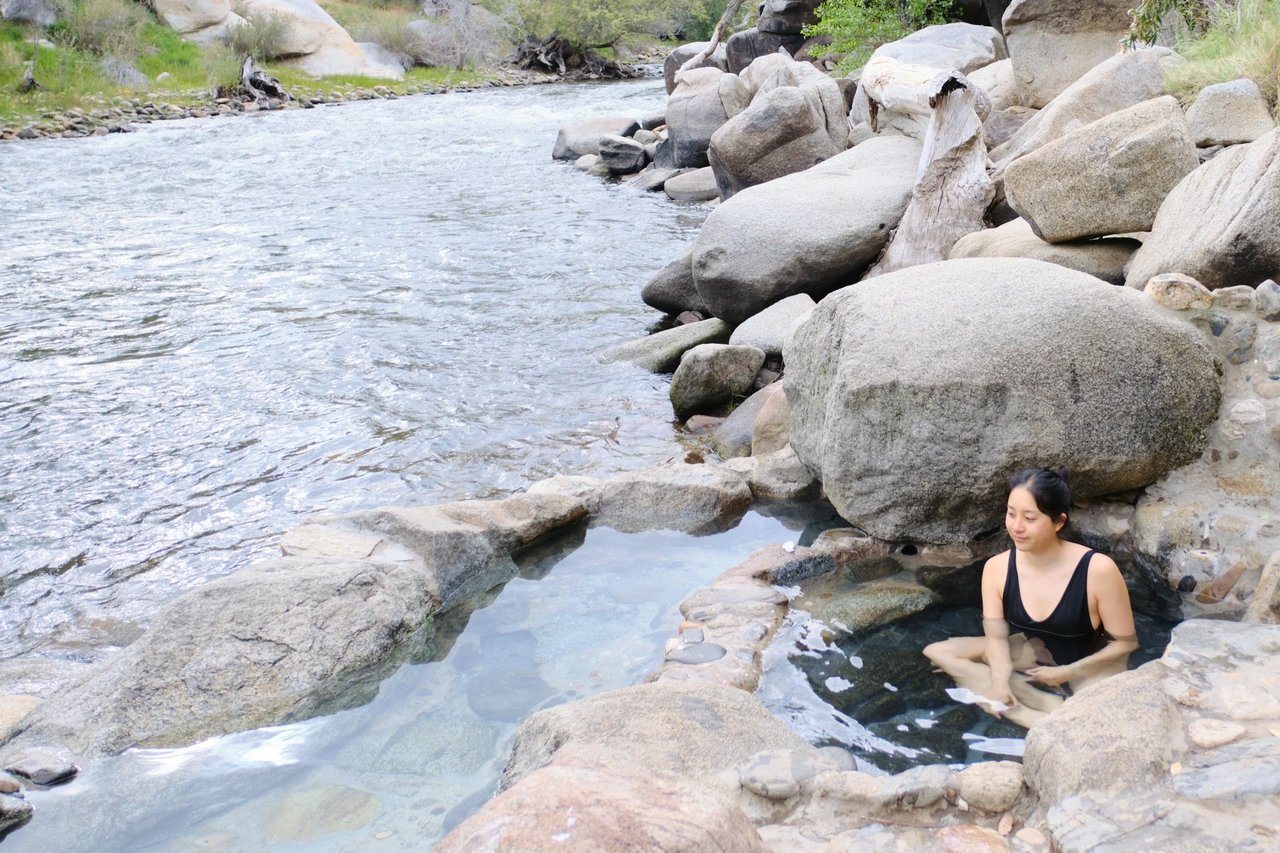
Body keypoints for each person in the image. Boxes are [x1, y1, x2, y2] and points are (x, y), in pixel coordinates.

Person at [923, 467, 1138, 727]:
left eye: (1030, 518)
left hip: (1087, 662)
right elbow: (996, 638)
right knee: (938, 651)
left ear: (1059, 522)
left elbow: (1124, 645)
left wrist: (1068, 672)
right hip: (1032, 651)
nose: (1017, 527)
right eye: (1011, 514)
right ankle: (1029, 707)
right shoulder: (996, 569)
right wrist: (1000, 683)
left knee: (1088, 723)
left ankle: (1042, 713)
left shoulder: (1098, 570)